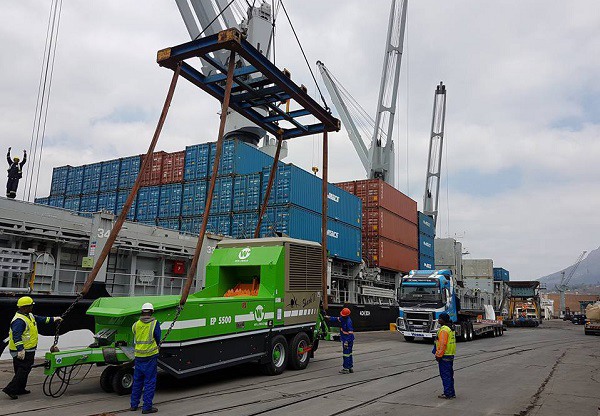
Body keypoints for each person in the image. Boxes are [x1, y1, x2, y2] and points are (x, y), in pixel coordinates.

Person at [3, 296, 62, 400]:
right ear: (25, 307)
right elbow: (16, 336)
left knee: (20, 370)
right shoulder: (19, 321)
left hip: (27, 349)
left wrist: (54, 319)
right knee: (24, 369)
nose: (32, 307)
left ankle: (20, 388)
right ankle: (10, 389)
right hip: (23, 350)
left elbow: (41, 319)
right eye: (31, 306)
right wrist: (20, 349)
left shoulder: (29, 316)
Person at [130, 303, 161, 414]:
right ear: (152, 312)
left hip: (138, 357)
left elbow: (135, 336)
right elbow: (158, 337)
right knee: (149, 382)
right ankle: (147, 407)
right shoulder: (155, 323)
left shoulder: (135, 325)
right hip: (150, 357)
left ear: (142, 312)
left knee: (137, 381)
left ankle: (133, 405)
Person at [433, 312, 456, 399]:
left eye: (440, 318)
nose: (438, 320)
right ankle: (451, 392)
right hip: (450, 354)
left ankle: (448, 394)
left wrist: (438, 355)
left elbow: (442, 344)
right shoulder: (450, 328)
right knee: (449, 375)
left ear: (444, 320)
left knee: (445, 376)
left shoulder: (444, 330)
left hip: (444, 355)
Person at [325, 307, 355, 374]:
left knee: (346, 354)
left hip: (347, 340)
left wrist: (346, 342)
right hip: (348, 339)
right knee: (349, 354)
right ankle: (350, 367)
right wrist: (329, 317)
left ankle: (346, 368)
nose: (342, 315)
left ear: (346, 315)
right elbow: (336, 319)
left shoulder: (348, 322)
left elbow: (350, 333)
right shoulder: (344, 318)